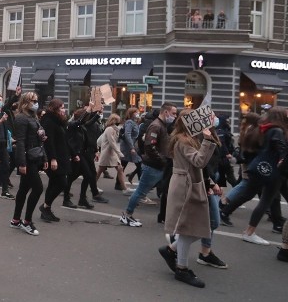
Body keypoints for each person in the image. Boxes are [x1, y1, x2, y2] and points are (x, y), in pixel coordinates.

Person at [157, 109, 218, 288]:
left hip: (189, 184)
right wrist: (207, 139)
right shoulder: (183, 140)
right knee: (188, 229)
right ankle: (181, 268)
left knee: (195, 228)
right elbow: (200, 162)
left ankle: (172, 250)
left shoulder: (187, 138)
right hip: (185, 186)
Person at [219, 107, 288, 245]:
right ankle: (250, 231)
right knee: (265, 200)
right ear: (280, 116)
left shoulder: (264, 129)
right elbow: (281, 148)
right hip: (272, 170)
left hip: (259, 168)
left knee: (251, 195)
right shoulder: (278, 131)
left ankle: (229, 215)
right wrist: (281, 158)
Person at [120, 102, 177, 227]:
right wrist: (162, 160)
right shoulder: (156, 126)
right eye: (173, 113)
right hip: (153, 166)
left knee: (142, 192)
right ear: (166, 112)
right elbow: (149, 146)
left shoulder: (161, 125)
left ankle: (127, 215)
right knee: (140, 192)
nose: (174, 116)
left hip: (156, 165)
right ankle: (127, 215)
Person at [10, 91, 48, 236]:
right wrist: (22, 163)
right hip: (27, 158)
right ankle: (26, 222)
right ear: (25, 102)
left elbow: (40, 140)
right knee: (37, 188)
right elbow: (20, 142)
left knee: (24, 189)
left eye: (37, 100)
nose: (36, 103)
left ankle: (15, 220)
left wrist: (44, 158)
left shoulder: (34, 117)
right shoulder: (21, 118)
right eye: (33, 100)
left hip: (35, 156)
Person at [64, 107, 108, 209]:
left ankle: (82, 199)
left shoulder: (82, 126)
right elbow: (71, 141)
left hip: (82, 154)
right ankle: (67, 199)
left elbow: (89, 123)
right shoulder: (72, 125)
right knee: (75, 176)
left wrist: (97, 113)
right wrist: (74, 154)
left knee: (85, 175)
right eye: (86, 117)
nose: (87, 119)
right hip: (75, 155)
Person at [39, 98, 70, 222]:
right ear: (55, 108)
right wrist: (53, 159)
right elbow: (49, 142)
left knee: (54, 182)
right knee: (62, 183)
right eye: (61, 107)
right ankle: (45, 206)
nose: (64, 109)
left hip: (61, 155)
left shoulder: (58, 121)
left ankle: (47, 209)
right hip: (54, 157)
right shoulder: (49, 121)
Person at [96, 114, 133, 195]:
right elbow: (112, 142)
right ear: (114, 121)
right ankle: (93, 186)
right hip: (107, 153)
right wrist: (119, 152)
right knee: (100, 170)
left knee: (120, 169)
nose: (119, 122)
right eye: (118, 121)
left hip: (112, 153)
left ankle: (124, 188)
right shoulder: (109, 129)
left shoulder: (114, 129)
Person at [121, 108, 144, 188]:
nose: (138, 113)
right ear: (131, 113)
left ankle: (118, 183)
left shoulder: (134, 122)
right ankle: (142, 185)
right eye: (136, 112)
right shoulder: (129, 122)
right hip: (128, 147)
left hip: (131, 146)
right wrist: (131, 147)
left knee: (123, 164)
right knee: (138, 164)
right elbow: (127, 134)